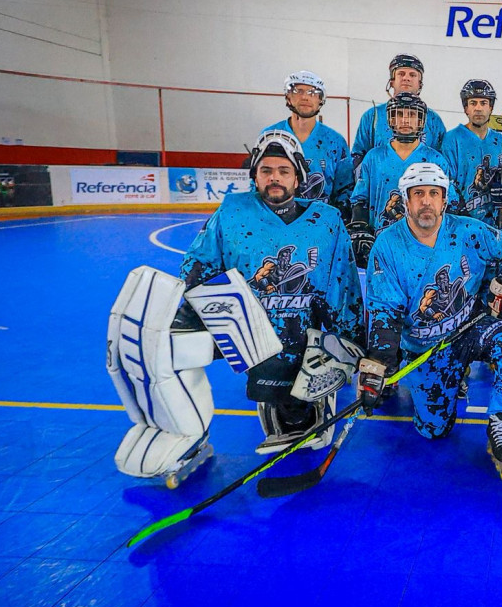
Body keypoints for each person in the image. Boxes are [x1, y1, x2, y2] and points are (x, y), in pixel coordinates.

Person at [108, 130, 365, 487]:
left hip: (305, 340)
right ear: (255, 175)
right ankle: (182, 431)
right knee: (163, 343)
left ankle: (311, 407)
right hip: (249, 336)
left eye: (283, 170)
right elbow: (196, 269)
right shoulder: (232, 211)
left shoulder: (327, 220)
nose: (274, 177)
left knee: (308, 430)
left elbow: (344, 284)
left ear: (298, 177)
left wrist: (352, 344)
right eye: (266, 170)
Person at [358, 162, 502, 478]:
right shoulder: (388, 246)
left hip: (471, 328)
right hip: (425, 345)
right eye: (418, 194)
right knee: (434, 430)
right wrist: (380, 364)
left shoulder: (469, 231)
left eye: (433, 193)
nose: (426, 201)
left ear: (444, 199)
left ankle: (500, 421)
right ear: (406, 200)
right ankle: (445, 381)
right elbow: (384, 312)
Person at [348, 92, 462, 268]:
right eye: (400, 114)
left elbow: (449, 203)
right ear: (391, 120)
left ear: (421, 120)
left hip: (424, 245)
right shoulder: (374, 158)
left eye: (412, 115)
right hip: (382, 243)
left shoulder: (435, 159)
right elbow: (360, 198)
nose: (405, 120)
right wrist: (360, 226)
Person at [262, 70, 354, 217]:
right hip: (274, 220)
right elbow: (256, 183)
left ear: (321, 100)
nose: (305, 96)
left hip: (320, 223)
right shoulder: (270, 136)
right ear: (288, 97)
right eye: (298, 91)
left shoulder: (335, 141)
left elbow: (345, 189)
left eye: (312, 92)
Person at [441, 79, 502, 227]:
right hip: (458, 226)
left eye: (483, 103)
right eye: (473, 103)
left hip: (494, 225)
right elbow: (444, 183)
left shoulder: (500, 141)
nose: (478, 108)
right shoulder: (451, 140)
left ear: (491, 108)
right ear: (466, 108)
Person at [351, 54, 447, 168]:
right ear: (392, 81)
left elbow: (441, 157)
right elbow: (358, 156)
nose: (406, 78)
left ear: (420, 84)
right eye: (401, 74)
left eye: (412, 75)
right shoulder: (372, 116)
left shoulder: (433, 119)